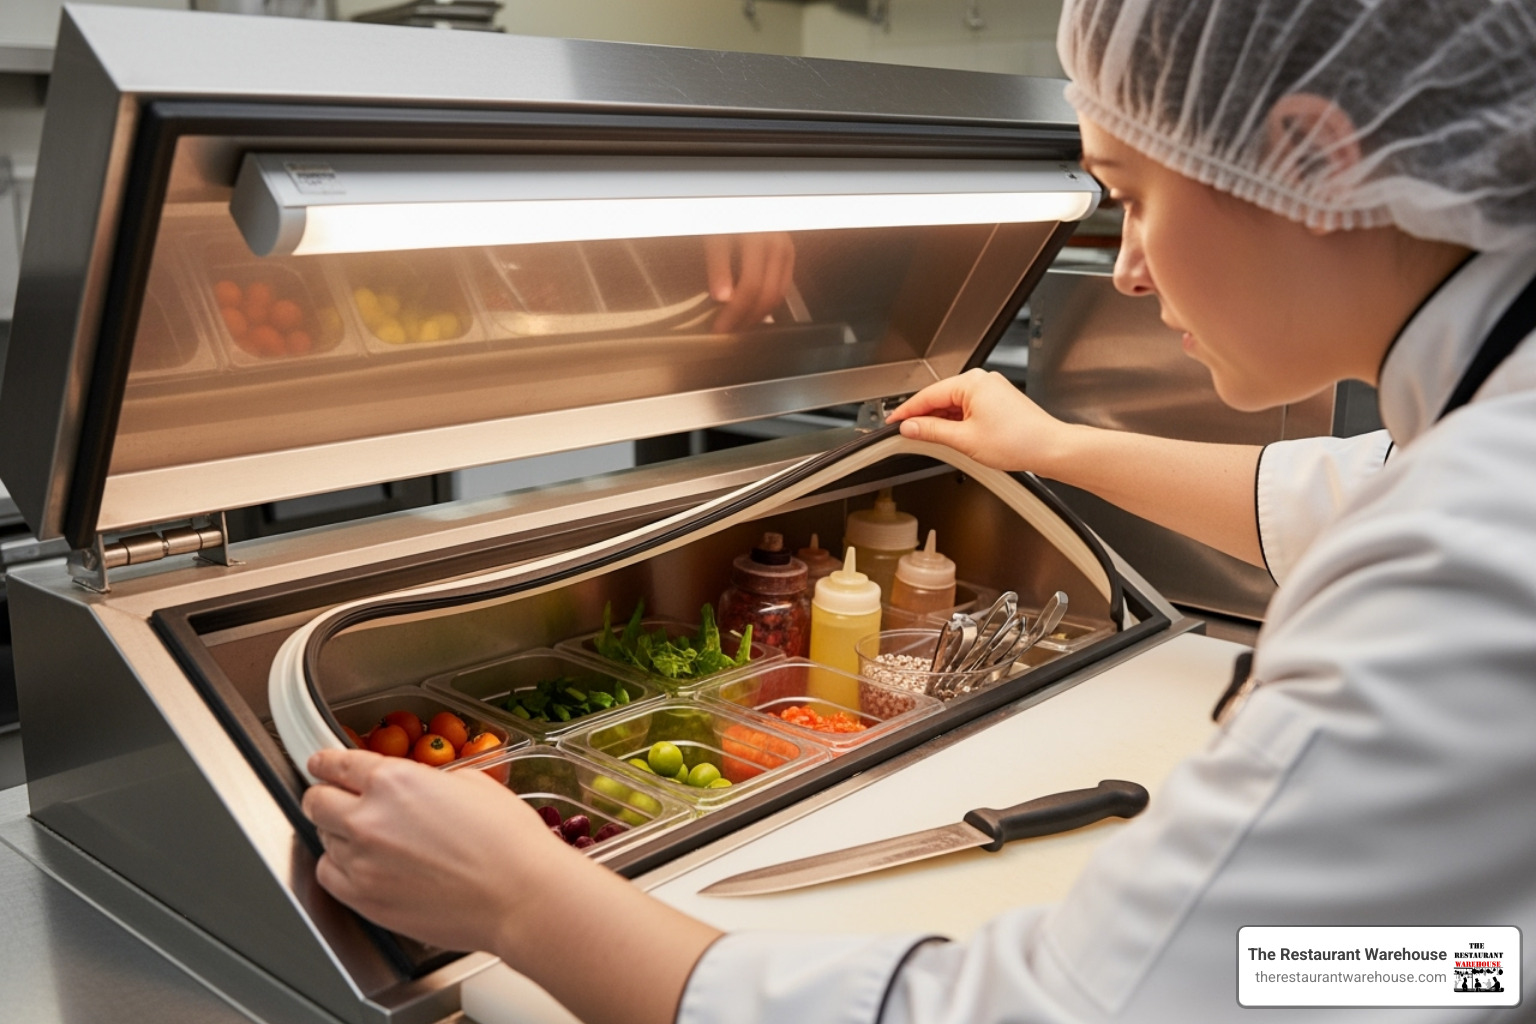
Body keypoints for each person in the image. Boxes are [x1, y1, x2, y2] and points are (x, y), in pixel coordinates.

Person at [301, 0, 1536, 1020]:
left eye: (1134, 193)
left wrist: (522, 901)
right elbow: (1354, 488)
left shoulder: (1469, 550)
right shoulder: (1490, 430)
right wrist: (1462, 969)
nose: (1128, 265)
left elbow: (1050, 1012)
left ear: (1322, 160)